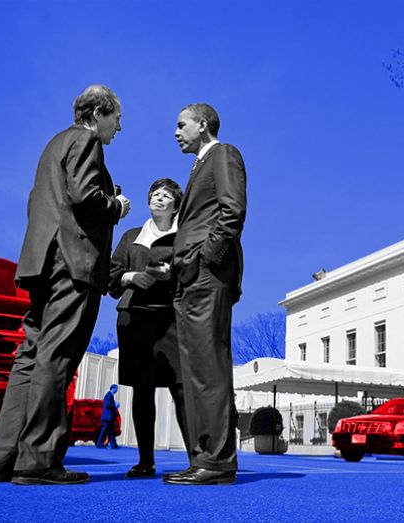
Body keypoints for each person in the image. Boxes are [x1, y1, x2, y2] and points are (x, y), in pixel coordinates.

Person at [0, 84, 131, 485]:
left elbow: (39, 202)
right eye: (117, 119)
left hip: (41, 262)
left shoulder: (53, 145)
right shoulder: (86, 141)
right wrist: (115, 206)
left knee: (30, 354)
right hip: (73, 262)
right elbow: (85, 196)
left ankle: (3, 457)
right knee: (57, 354)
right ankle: (39, 458)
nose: (119, 128)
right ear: (98, 114)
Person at [164, 103, 246, 485]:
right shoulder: (198, 166)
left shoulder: (224, 154)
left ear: (202, 124)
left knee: (209, 366)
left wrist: (204, 258)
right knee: (195, 369)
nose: (176, 132)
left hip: (207, 275)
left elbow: (232, 211)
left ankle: (216, 461)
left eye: (181, 125)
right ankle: (203, 457)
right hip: (189, 277)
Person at [108, 178, 190, 477]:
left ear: (176, 205)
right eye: (154, 194)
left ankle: (197, 460)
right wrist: (131, 277)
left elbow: (193, 274)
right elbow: (111, 277)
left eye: (165, 195)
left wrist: (167, 272)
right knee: (142, 390)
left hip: (172, 318)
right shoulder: (131, 236)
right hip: (135, 318)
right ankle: (145, 461)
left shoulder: (185, 236)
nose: (158, 198)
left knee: (180, 389)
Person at [96, 384, 120, 449]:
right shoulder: (109, 395)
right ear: (113, 388)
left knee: (111, 431)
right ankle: (99, 444)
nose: (117, 390)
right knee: (104, 431)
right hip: (107, 417)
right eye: (116, 389)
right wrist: (115, 405)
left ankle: (114, 445)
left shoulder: (110, 395)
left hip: (109, 418)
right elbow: (107, 405)